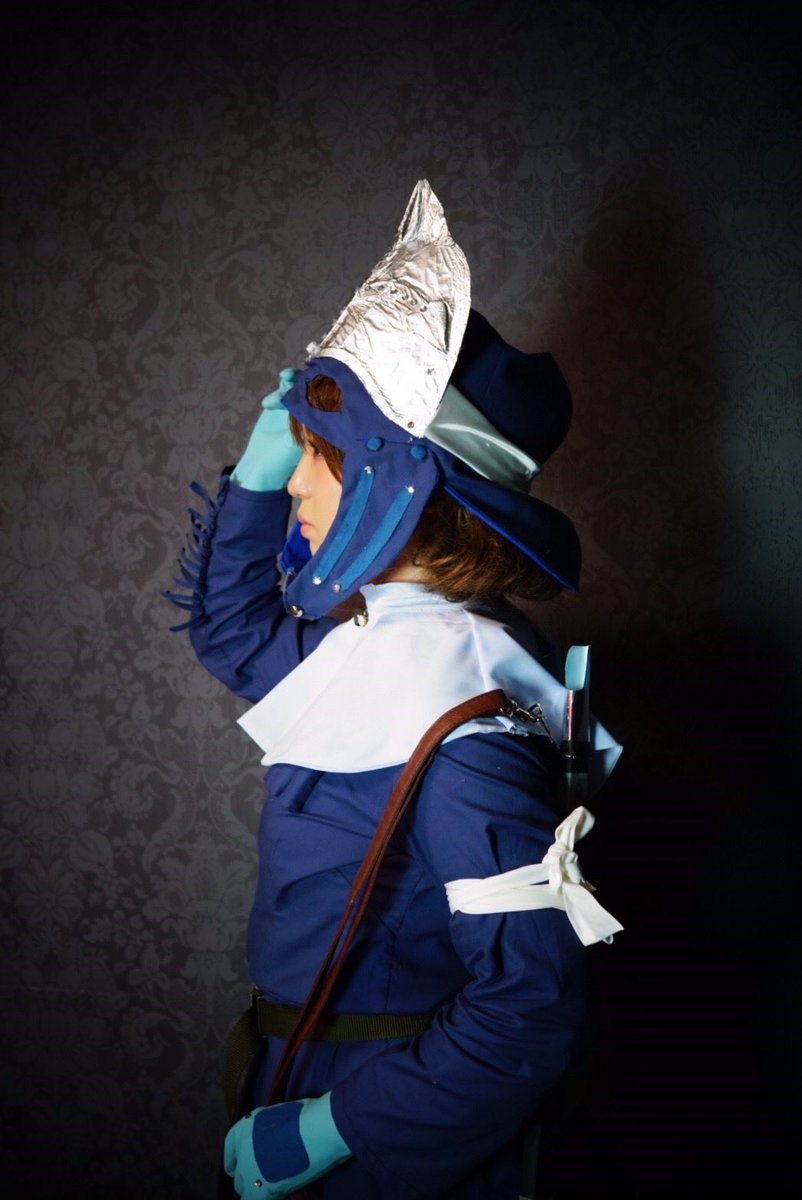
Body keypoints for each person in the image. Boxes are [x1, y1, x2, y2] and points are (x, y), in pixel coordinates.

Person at [167, 180, 622, 1200]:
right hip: (298, 1072)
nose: (296, 483)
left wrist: (334, 1129)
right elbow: (234, 634)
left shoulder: (464, 718)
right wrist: (255, 479)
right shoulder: (383, 649)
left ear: (393, 483)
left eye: (317, 459)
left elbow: (531, 1009)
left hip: (393, 1128)